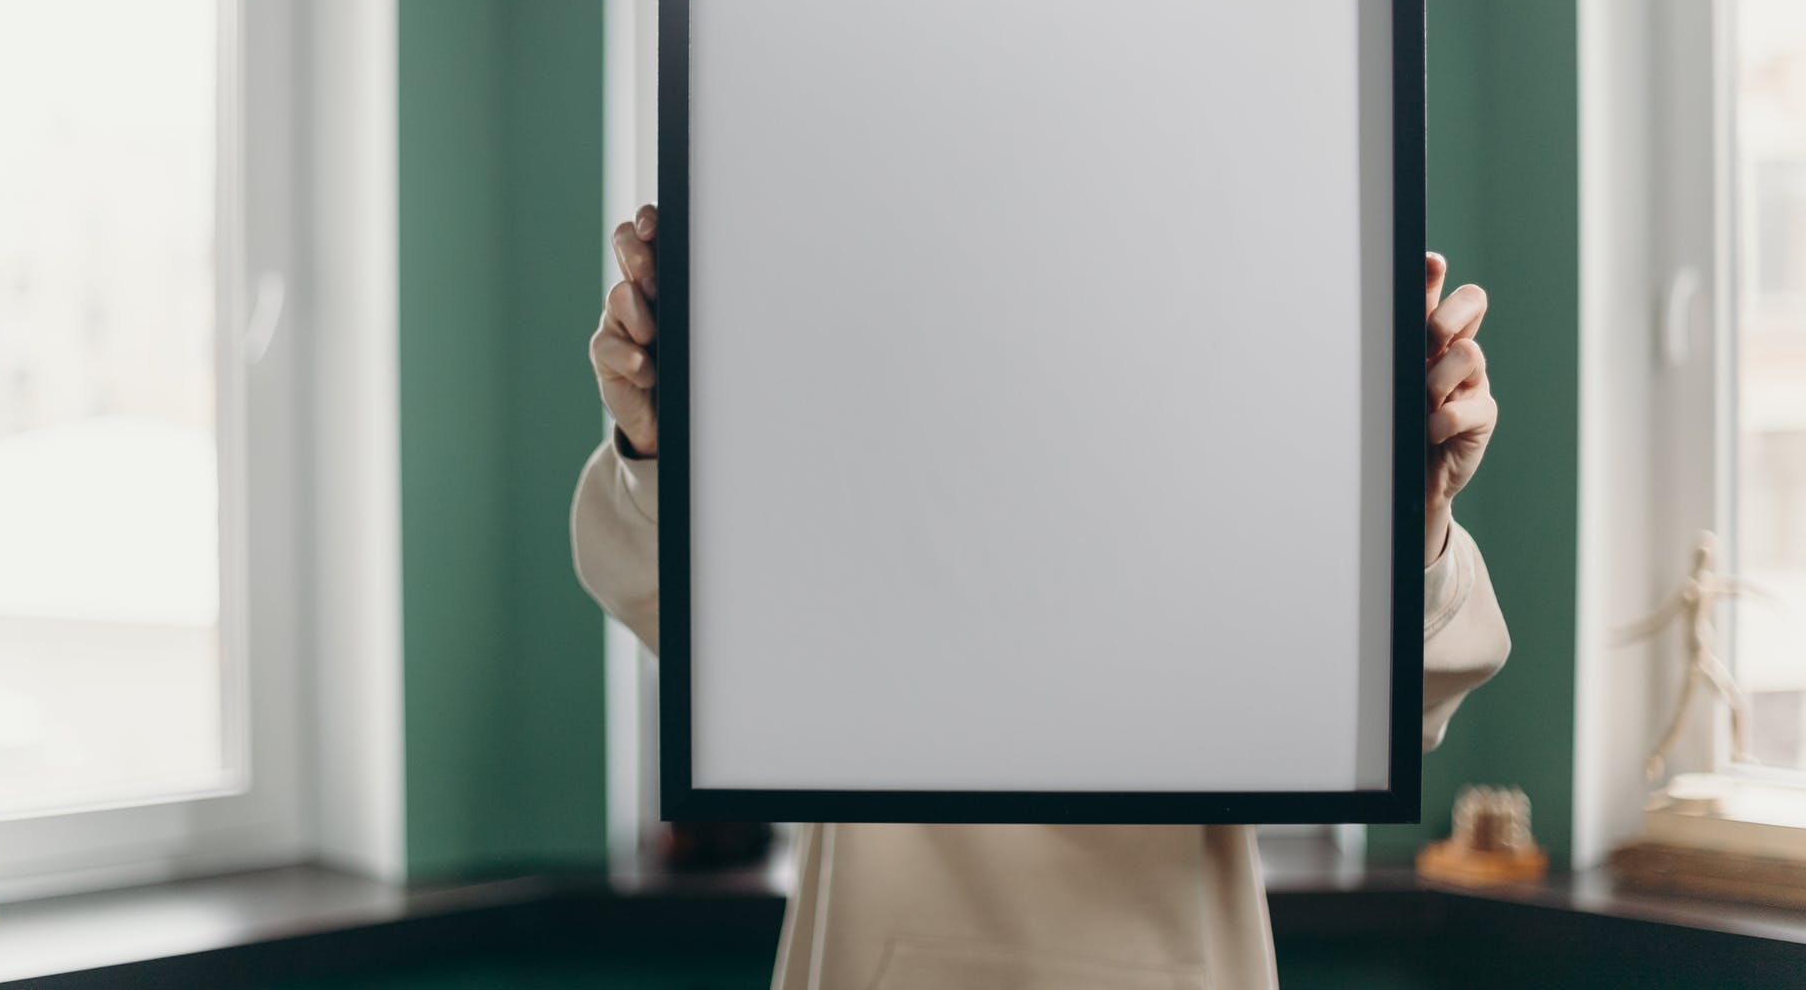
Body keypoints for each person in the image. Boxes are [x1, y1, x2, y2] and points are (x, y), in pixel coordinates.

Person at [570, 203, 1510, 990]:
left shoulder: (1226, 461)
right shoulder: (849, 450)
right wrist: (661, 449)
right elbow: (665, 597)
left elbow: (1402, 695)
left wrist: (1411, 514)